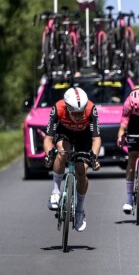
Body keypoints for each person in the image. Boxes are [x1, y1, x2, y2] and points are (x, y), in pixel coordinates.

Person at [44, 87, 101, 232]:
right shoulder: (58, 108)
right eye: (75, 113)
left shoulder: (91, 109)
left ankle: (80, 210)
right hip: (65, 133)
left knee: (81, 171)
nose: (79, 116)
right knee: (62, 153)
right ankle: (55, 192)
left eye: (81, 112)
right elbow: (48, 138)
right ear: (68, 108)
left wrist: (94, 158)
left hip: (84, 136)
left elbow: (96, 139)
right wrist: (49, 154)